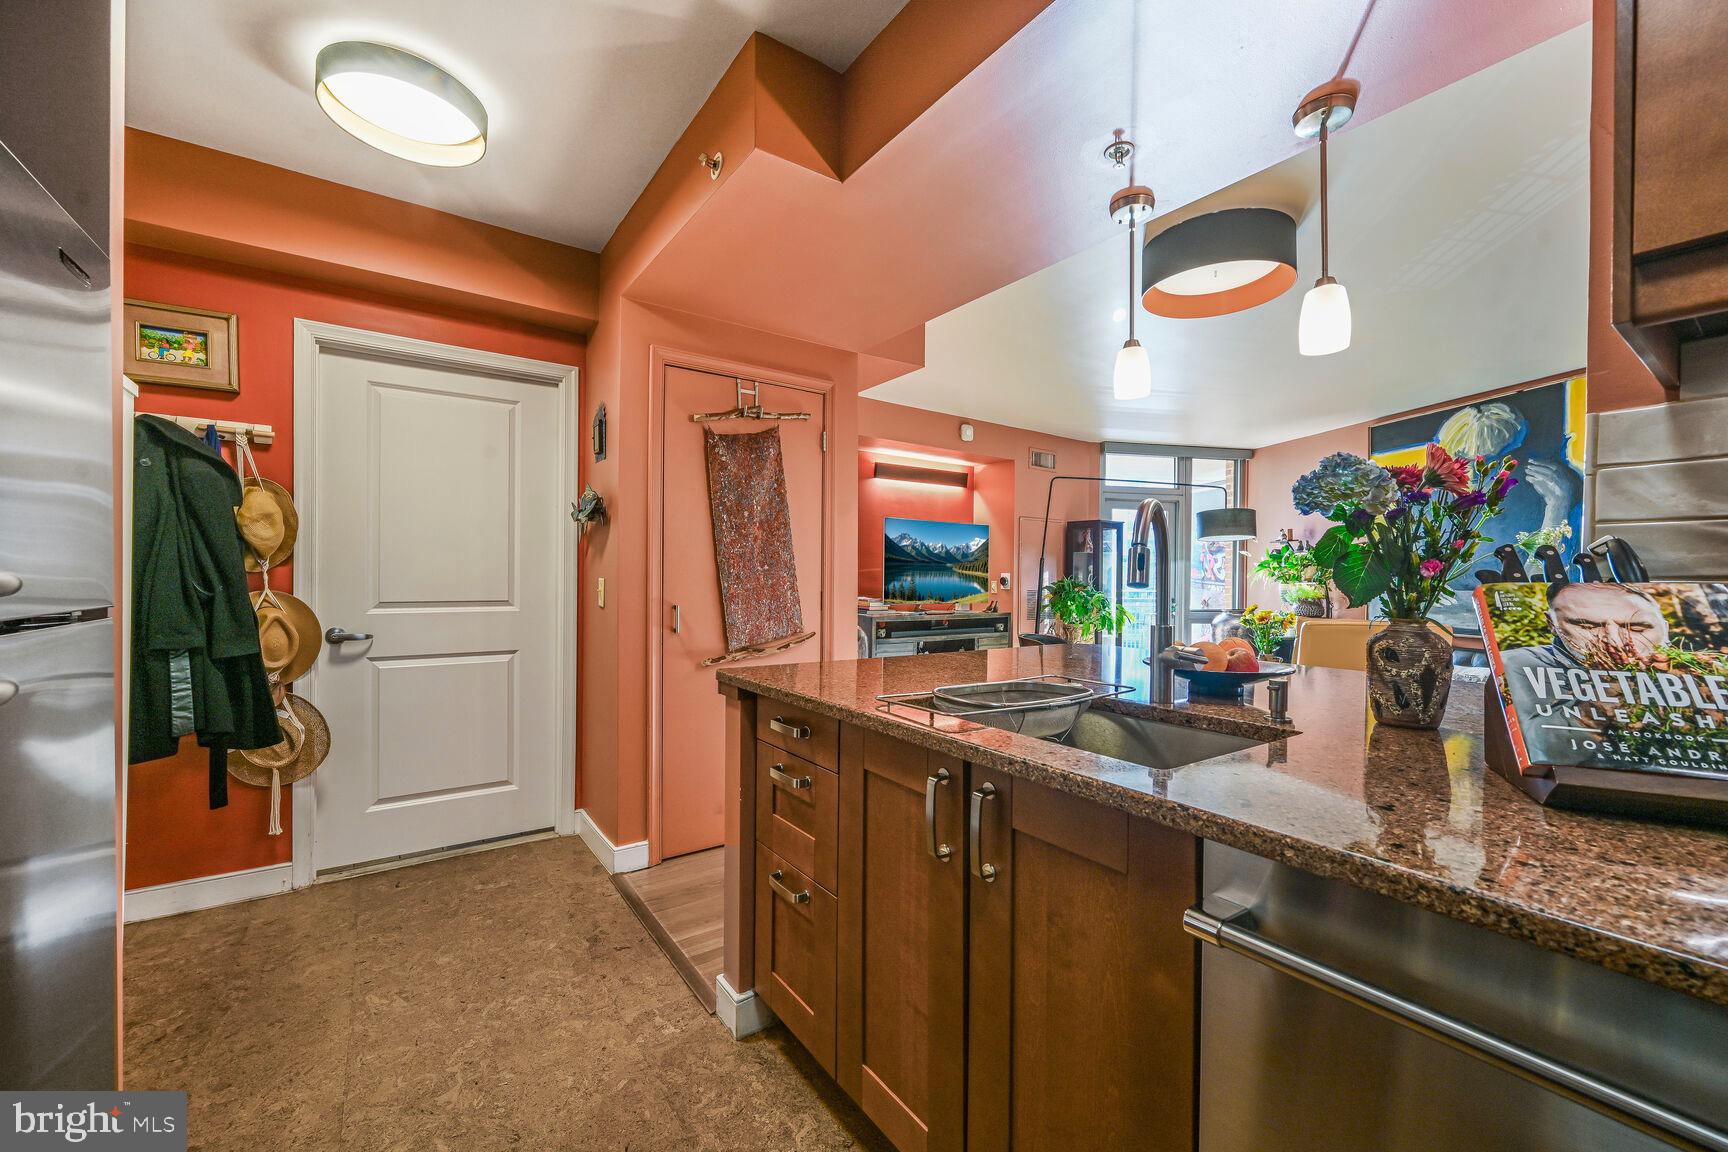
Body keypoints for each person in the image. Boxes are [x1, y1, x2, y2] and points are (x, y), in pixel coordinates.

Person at [1497, 582, 1669, 765]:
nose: (1614, 640)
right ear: (1552, 623)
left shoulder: (1691, 671)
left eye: (1637, 629)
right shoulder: (1517, 665)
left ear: (1665, 629)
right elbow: (1537, 751)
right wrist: (1607, 694)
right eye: (1587, 626)